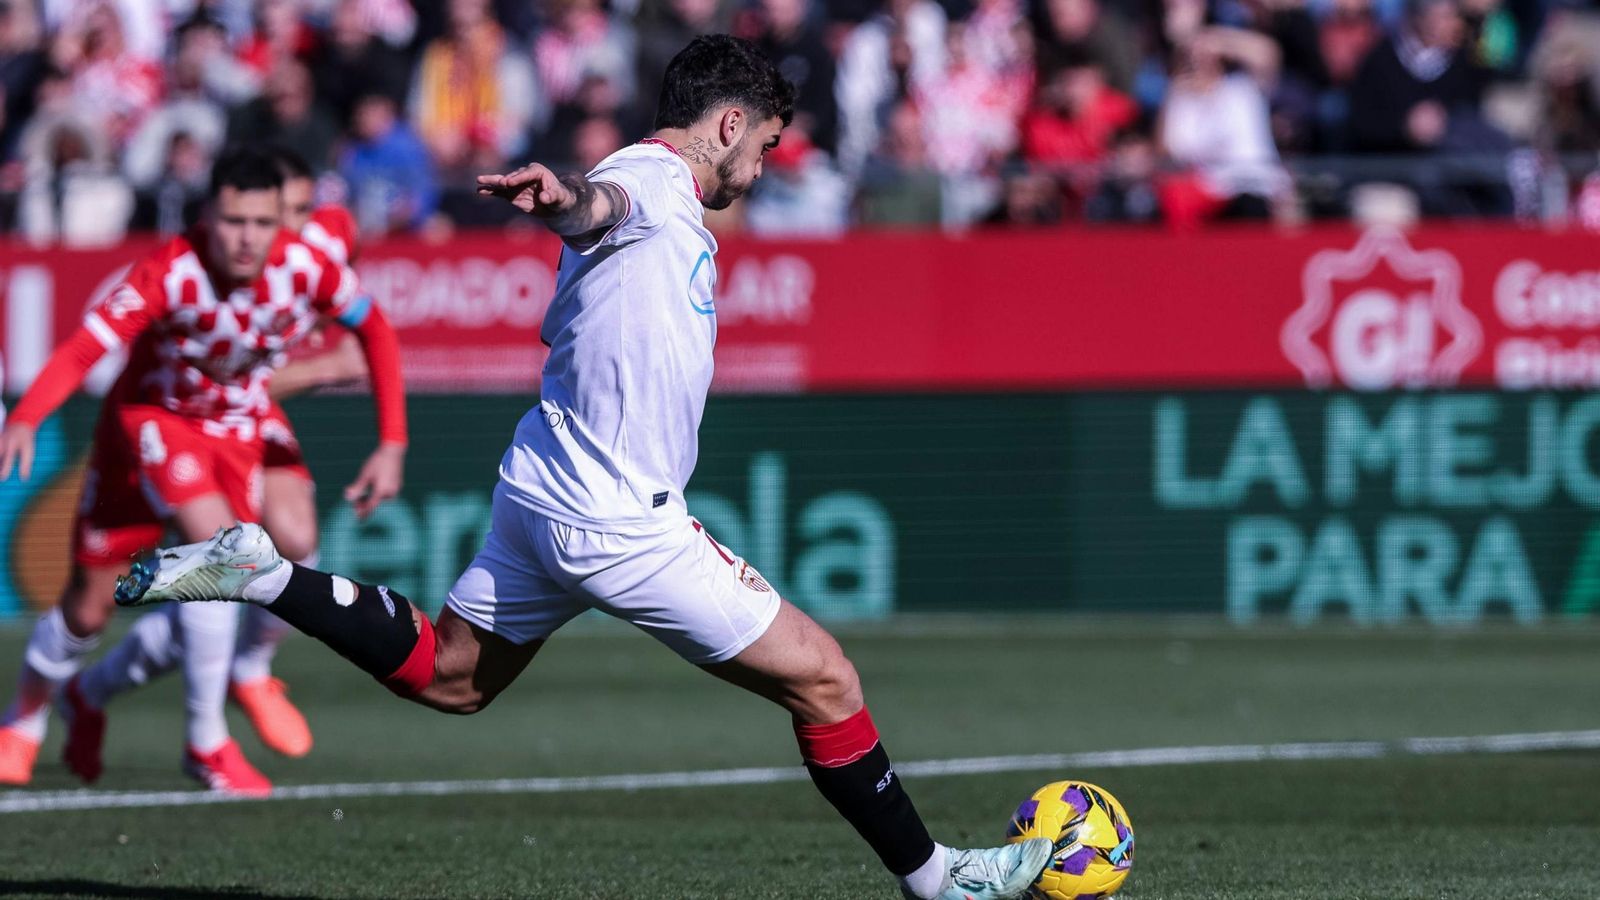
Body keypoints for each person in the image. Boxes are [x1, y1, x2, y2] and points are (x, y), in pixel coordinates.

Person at [115, 35, 1051, 900]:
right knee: (828, 680)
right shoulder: (645, 179)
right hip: (615, 517)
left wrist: (577, 203)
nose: (761, 169)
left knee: (451, 678)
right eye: (762, 146)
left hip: (542, 487)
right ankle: (939, 882)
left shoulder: (662, 193)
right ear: (727, 125)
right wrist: (566, 201)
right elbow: (602, 207)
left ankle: (264, 572)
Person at [0, 146, 407, 795]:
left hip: (241, 421)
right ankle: (22, 721)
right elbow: (86, 347)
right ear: (207, 217)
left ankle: (214, 727)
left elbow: (377, 330)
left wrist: (392, 444)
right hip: (156, 421)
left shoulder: (312, 261)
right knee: (90, 606)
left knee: (254, 552)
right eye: (232, 221)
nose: (246, 239)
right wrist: (25, 416)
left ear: (285, 219)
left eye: (263, 222)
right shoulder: (171, 271)